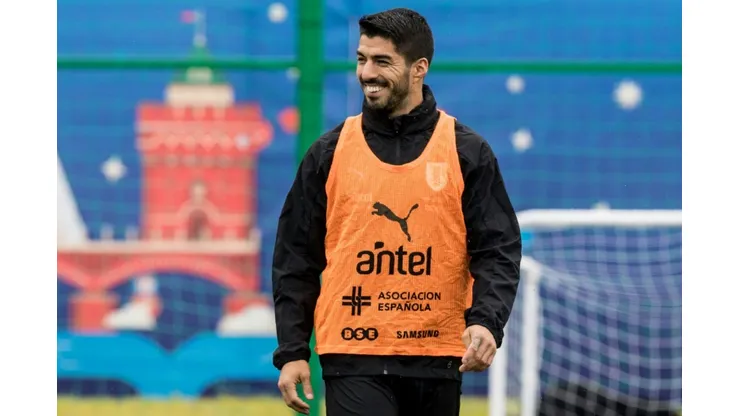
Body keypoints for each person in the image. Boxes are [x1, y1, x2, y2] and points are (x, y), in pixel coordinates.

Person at [272, 7, 522, 416]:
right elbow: (295, 257)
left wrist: (485, 321)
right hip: (352, 355)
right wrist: (293, 350)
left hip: (438, 357)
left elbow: (497, 250)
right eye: (361, 59)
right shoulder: (328, 153)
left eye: (382, 61)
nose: (367, 73)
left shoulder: (466, 151)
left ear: (419, 68)